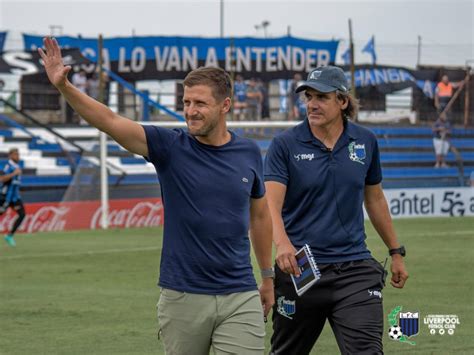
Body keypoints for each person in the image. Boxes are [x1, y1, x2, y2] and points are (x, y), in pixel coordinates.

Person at [39, 37, 274, 355]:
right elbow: (110, 121)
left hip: (240, 295)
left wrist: (268, 276)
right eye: (187, 102)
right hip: (182, 296)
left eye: (200, 103)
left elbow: (259, 216)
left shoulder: (248, 151)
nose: (190, 111)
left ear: (226, 105)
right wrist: (64, 87)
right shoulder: (169, 146)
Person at [264, 66, 408, 354]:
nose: (312, 104)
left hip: (354, 270)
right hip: (301, 270)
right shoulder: (285, 144)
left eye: (321, 97)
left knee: (366, 351)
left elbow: (375, 199)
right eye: (308, 97)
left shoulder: (365, 141)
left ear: (342, 101)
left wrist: (395, 251)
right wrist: (282, 244)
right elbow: (270, 205)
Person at [1, 148, 26, 247]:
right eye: (15, 155)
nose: (18, 156)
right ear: (10, 155)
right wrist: (13, 174)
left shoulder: (17, 166)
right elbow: (2, 179)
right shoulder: (8, 166)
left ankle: (9, 235)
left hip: (14, 197)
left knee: (22, 214)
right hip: (5, 196)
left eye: (18, 154)